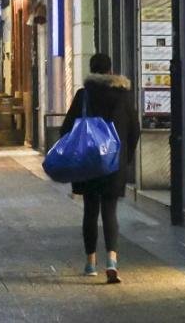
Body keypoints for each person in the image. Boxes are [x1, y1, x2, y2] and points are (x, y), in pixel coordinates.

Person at [59, 52, 138, 283]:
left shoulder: (84, 96)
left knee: (90, 211)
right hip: (114, 164)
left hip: (88, 163)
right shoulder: (123, 96)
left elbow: (66, 129)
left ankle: (91, 262)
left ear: (92, 71)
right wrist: (126, 157)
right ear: (111, 71)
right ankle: (112, 261)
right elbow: (134, 128)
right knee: (110, 211)